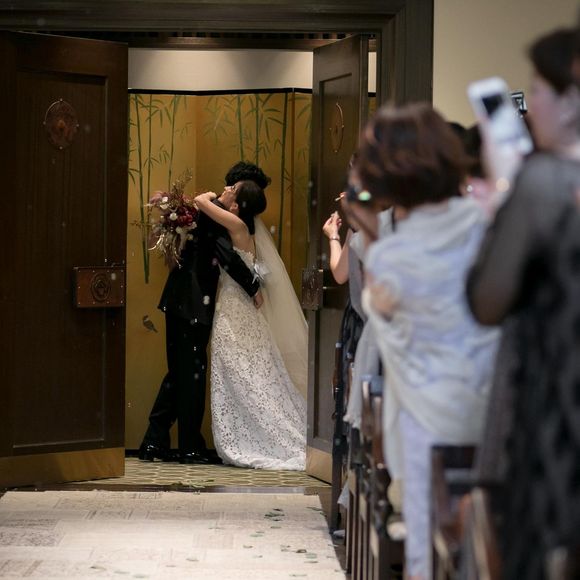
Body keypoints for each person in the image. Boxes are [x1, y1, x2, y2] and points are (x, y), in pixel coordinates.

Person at [354, 103, 500, 580]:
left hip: (426, 417)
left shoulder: (394, 255)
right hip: (489, 407)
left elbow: (383, 313)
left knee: (427, 540)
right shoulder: (483, 225)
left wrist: (370, 233)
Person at [466, 28, 580, 580]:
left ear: (570, 100)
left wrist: (504, 196)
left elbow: (487, 300)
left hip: (557, 408)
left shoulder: (543, 182)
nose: (529, 107)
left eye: (537, 90)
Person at [138, 162, 268, 465]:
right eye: (233, 186)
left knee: (180, 373)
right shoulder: (212, 214)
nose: (227, 188)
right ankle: (188, 446)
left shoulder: (210, 212)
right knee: (191, 376)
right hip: (191, 304)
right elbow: (227, 257)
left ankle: (155, 441)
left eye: (233, 188)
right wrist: (253, 287)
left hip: (183, 301)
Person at [195, 180, 308, 470]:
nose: (227, 187)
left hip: (234, 309)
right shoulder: (244, 228)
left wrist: (211, 195)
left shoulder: (236, 225)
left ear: (236, 205)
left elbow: (200, 201)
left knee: (241, 372)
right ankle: (250, 431)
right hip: (238, 307)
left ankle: (254, 437)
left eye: (233, 188)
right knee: (247, 372)